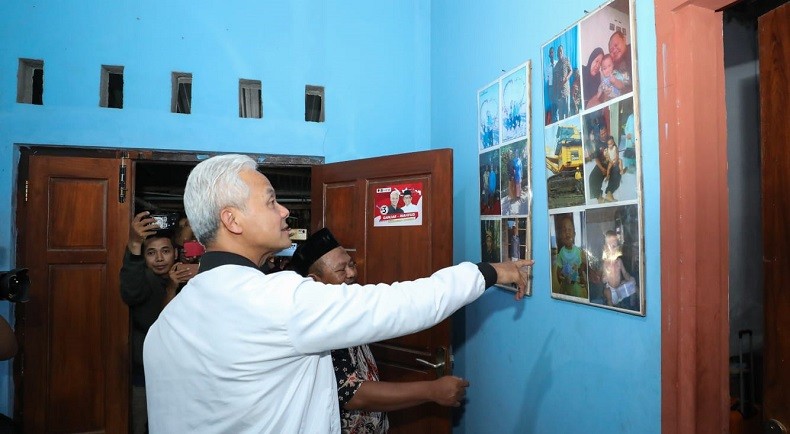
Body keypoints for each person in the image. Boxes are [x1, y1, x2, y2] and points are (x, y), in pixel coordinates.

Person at [143, 154, 532, 434]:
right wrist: (490, 271)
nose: (284, 213)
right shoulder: (278, 301)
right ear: (232, 219)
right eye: (271, 201)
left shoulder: (166, 325)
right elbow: (402, 304)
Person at [290, 228, 470, 434]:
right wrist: (432, 391)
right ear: (315, 281)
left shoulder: (350, 308)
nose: (352, 273)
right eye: (341, 270)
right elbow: (352, 394)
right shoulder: (316, 325)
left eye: (351, 264)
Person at [120, 211, 195, 434]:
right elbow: (159, 326)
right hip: (144, 374)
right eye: (151, 253)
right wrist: (134, 243)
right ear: (144, 258)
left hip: (179, 374)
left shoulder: (183, 277)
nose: (160, 259)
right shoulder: (146, 281)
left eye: (165, 251)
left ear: (175, 253)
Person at [553, 214, 588, 298]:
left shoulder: (579, 252)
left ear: (574, 234)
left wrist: (582, 271)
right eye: (564, 230)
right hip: (566, 288)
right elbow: (558, 270)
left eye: (569, 229)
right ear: (561, 235)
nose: (567, 232)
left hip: (577, 288)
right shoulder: (561, 252)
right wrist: (560, 277)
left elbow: (583, 267)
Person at [601, 230, 637, 308]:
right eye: (613, 246)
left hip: (619, 288)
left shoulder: (619, 262)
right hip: (610, 289)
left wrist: (629, 278)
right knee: (607, 291)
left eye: (617, 246)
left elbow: (624, 273)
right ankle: (611, 307)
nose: (615, 249)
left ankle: (632, 303)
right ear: (606, 248)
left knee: (632, 283)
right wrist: (605, 278)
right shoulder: (606, 263)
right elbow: (603, 278)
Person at [588, 124, 622, 203]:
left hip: (611, 163)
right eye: (602, 134)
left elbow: (616, 151)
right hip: (602, 164)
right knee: (592, 177)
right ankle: (599, 198)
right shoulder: (597, 143)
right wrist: (602, 169)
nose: (604, 135)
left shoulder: (610, 139)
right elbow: (596, 158)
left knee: (617, 171)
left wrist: (615, 160)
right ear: (599, 134)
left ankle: (609, 194)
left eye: (605, 132)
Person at [553, 45, 572, 121]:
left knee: (567, 112)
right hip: (559, 93)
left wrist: (566, 78)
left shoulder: (566, 60)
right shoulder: (556, 66)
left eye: (561, 51)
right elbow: (554, 81)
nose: (559, 53)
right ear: (557, 54)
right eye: (558, 51)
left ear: (562, 52)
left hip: (566, 90)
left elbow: (571, 71)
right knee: (560, 114)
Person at [545, 46, 556, 123]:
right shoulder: (547, 67)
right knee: (553, 105)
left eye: (552, 52)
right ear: (549, 55)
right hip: (552, 88)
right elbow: (546, 79)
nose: (552, 54)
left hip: (559, 88)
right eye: (550, 53)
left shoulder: (558, 63)